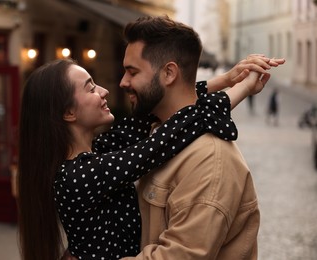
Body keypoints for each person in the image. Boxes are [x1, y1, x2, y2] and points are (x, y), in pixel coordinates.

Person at [17, 50, 280, 260]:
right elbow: (171, 136)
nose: (105, 90)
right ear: (69, 113)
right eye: (90, 88)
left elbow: (166, 111)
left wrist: (226, 80)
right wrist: (244, 87)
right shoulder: (80, 175)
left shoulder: (100, 151)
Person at [115, 16, 285, 260]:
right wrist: (228, 81)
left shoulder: (209, 160)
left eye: (132, 72)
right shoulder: (159, 131)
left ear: (169, 73)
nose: (123, 82)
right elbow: (196, 105)